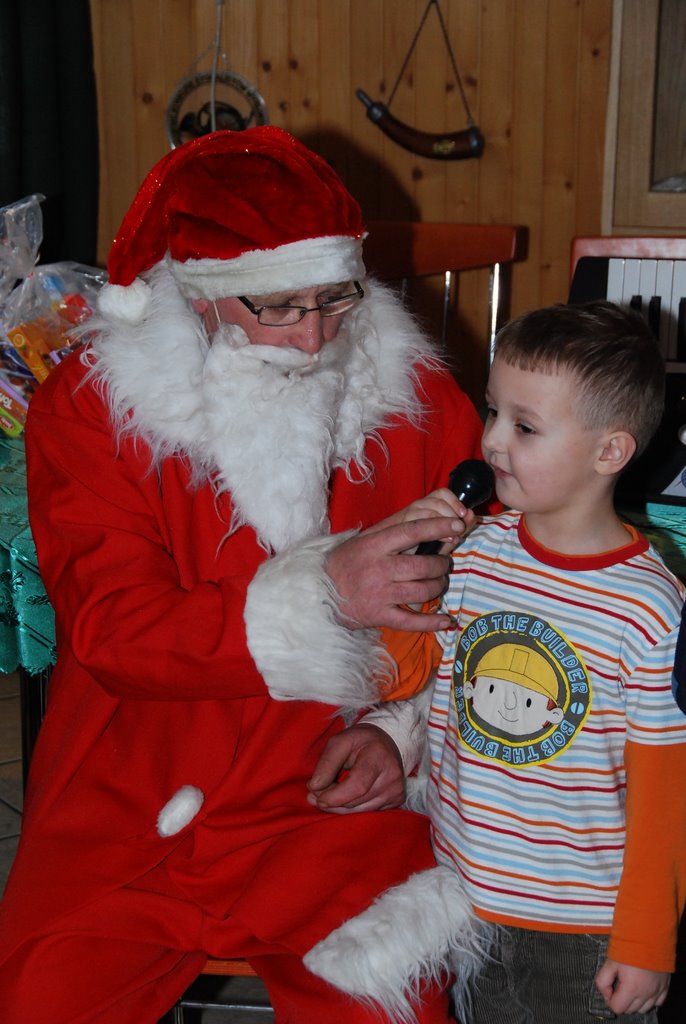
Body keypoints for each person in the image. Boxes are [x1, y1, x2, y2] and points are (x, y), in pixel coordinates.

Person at [0, 126, 491, 1024]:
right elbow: (113, 631)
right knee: (39, 1000)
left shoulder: (421, 402)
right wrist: (327, 595)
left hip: (334, 799)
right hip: (134, 794)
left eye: (335, 298)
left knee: (388, 1002)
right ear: (198, 297)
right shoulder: (92, 410)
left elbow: (490, 607)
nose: (314, 336)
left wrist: (401, 736)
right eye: (278, 306)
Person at [309, 301, 686, 1023]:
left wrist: (646, 939)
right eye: (493, 412)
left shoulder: (649, 607)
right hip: (462, 897)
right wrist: (411, 568)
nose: (490, 441)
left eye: (525, 427)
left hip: (582, 924)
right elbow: (404, 674)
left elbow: (665, 790)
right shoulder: (477, 555)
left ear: (610, 452)